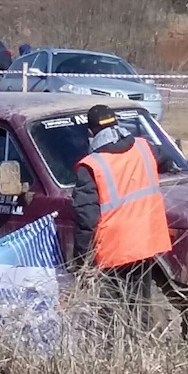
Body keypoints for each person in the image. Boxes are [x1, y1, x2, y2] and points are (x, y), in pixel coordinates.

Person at [71, 104, 175, 334]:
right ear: (116, 123)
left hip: (113, 249)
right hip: (146, 241)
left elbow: (86, 219)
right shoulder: (143, 147)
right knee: (140, 306)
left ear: (91, 132)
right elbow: (166, 158)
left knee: (111, 314)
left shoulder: (92, 165)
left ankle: (115, 357)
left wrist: (81, 260)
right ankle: (140, 350)